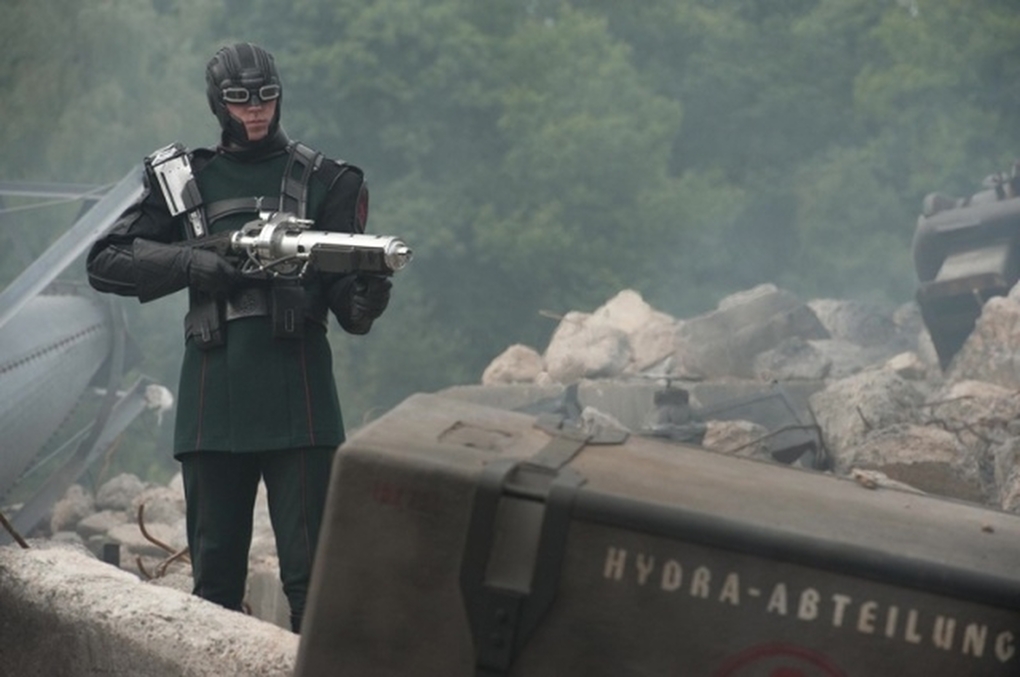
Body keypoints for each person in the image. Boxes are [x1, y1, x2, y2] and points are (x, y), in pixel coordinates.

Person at [86, 42, 392, 633]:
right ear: (218, 103)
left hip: (299, 394)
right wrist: (190, 263)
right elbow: (105, 261)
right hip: (213, 392)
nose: (256, 109)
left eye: (266, 96)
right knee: (214, 587)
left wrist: (369, 293)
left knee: (315, 584)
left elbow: (352, 314)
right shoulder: (183, 179)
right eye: (240, 99)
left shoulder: (327, 180)